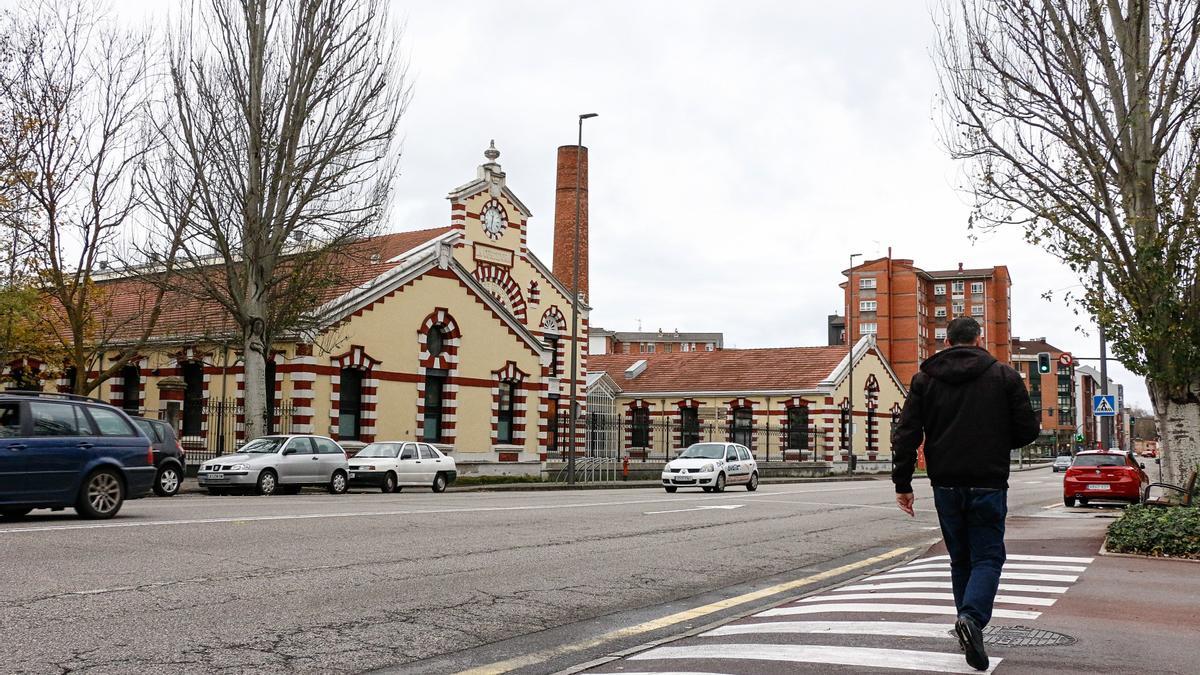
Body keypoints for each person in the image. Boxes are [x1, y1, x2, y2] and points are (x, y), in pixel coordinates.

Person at [891, 316, 1040, 671]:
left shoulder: (925, 379)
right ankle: (971, 620)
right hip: (988, 482)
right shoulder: (1004, 376)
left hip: (945, 484)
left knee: (960, 559)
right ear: (978, 339)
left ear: (947, 342)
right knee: (988, 557)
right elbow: (1027, 431)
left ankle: (966, 625)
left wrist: (903, 484)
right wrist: (997, 440)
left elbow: (906, 435)